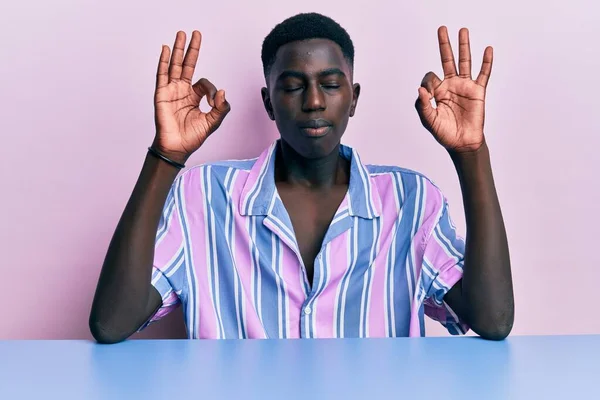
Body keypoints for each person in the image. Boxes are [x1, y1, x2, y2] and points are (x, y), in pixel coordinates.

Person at [89, 12, 514, 344]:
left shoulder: (411, 200)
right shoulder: (202, 195)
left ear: (353, 99)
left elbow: (493, 319)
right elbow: (110, 323)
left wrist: (470, 153)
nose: (313, 102)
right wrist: (165, 155)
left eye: (331, 84)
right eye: (292, 86)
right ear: (269, 102)